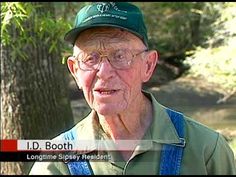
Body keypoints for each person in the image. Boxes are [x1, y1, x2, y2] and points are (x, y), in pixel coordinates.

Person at [29, 2, 236, 175]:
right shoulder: (56, 163)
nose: (104, 71)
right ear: (75, 71)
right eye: (90, 58)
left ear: (148, 66)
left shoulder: (205, 151)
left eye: (120, 56)